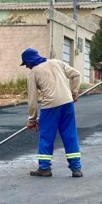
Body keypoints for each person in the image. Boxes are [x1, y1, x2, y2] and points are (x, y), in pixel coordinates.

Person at [21, 47, 83, 178]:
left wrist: (32, 119)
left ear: (29, 61)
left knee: (46, 137)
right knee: (70, 135)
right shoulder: (56, 62)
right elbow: (76, 74)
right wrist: (74, 93)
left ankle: (44, 168)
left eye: (25, 63)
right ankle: (76, 168)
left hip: (50, 106)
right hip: (67, 103)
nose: (26, 67)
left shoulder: (34, 72)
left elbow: (32, 99)